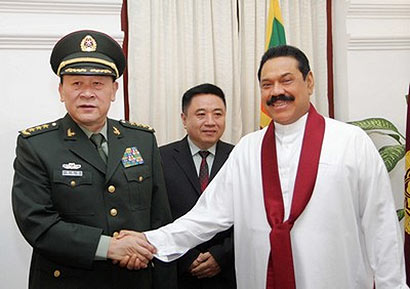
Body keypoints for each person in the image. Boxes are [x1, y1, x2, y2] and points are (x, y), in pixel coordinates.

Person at [129, 45, 408, 289]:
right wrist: (147, 242)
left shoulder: (351, 142)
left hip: (334, 279)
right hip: (260, 279)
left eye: (286, 81)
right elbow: (206, 217)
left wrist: (392, 286)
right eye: (267, 84)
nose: (277, 92)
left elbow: (380, 224)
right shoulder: (248, 149)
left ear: (309, 82)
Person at [12, 30, 175, 289]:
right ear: (61, 90)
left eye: (97, 84)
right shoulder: (36, 146)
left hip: (135, 280)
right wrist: (110, 247)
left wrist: (144, 250)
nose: (87, 93)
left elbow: (160, 218)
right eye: (76, 84)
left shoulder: (142, 140)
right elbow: (37, 223)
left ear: (113, 90)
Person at [160, 83, 236, 289]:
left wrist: (221, 255)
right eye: (201, 114)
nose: (210, 122)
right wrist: (186, 258)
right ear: (184, 119)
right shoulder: (160, 158)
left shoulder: (240, 158)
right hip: (178, 272)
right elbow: (156, 215)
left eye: (218, 114)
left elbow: (252, 216)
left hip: (229, 273)